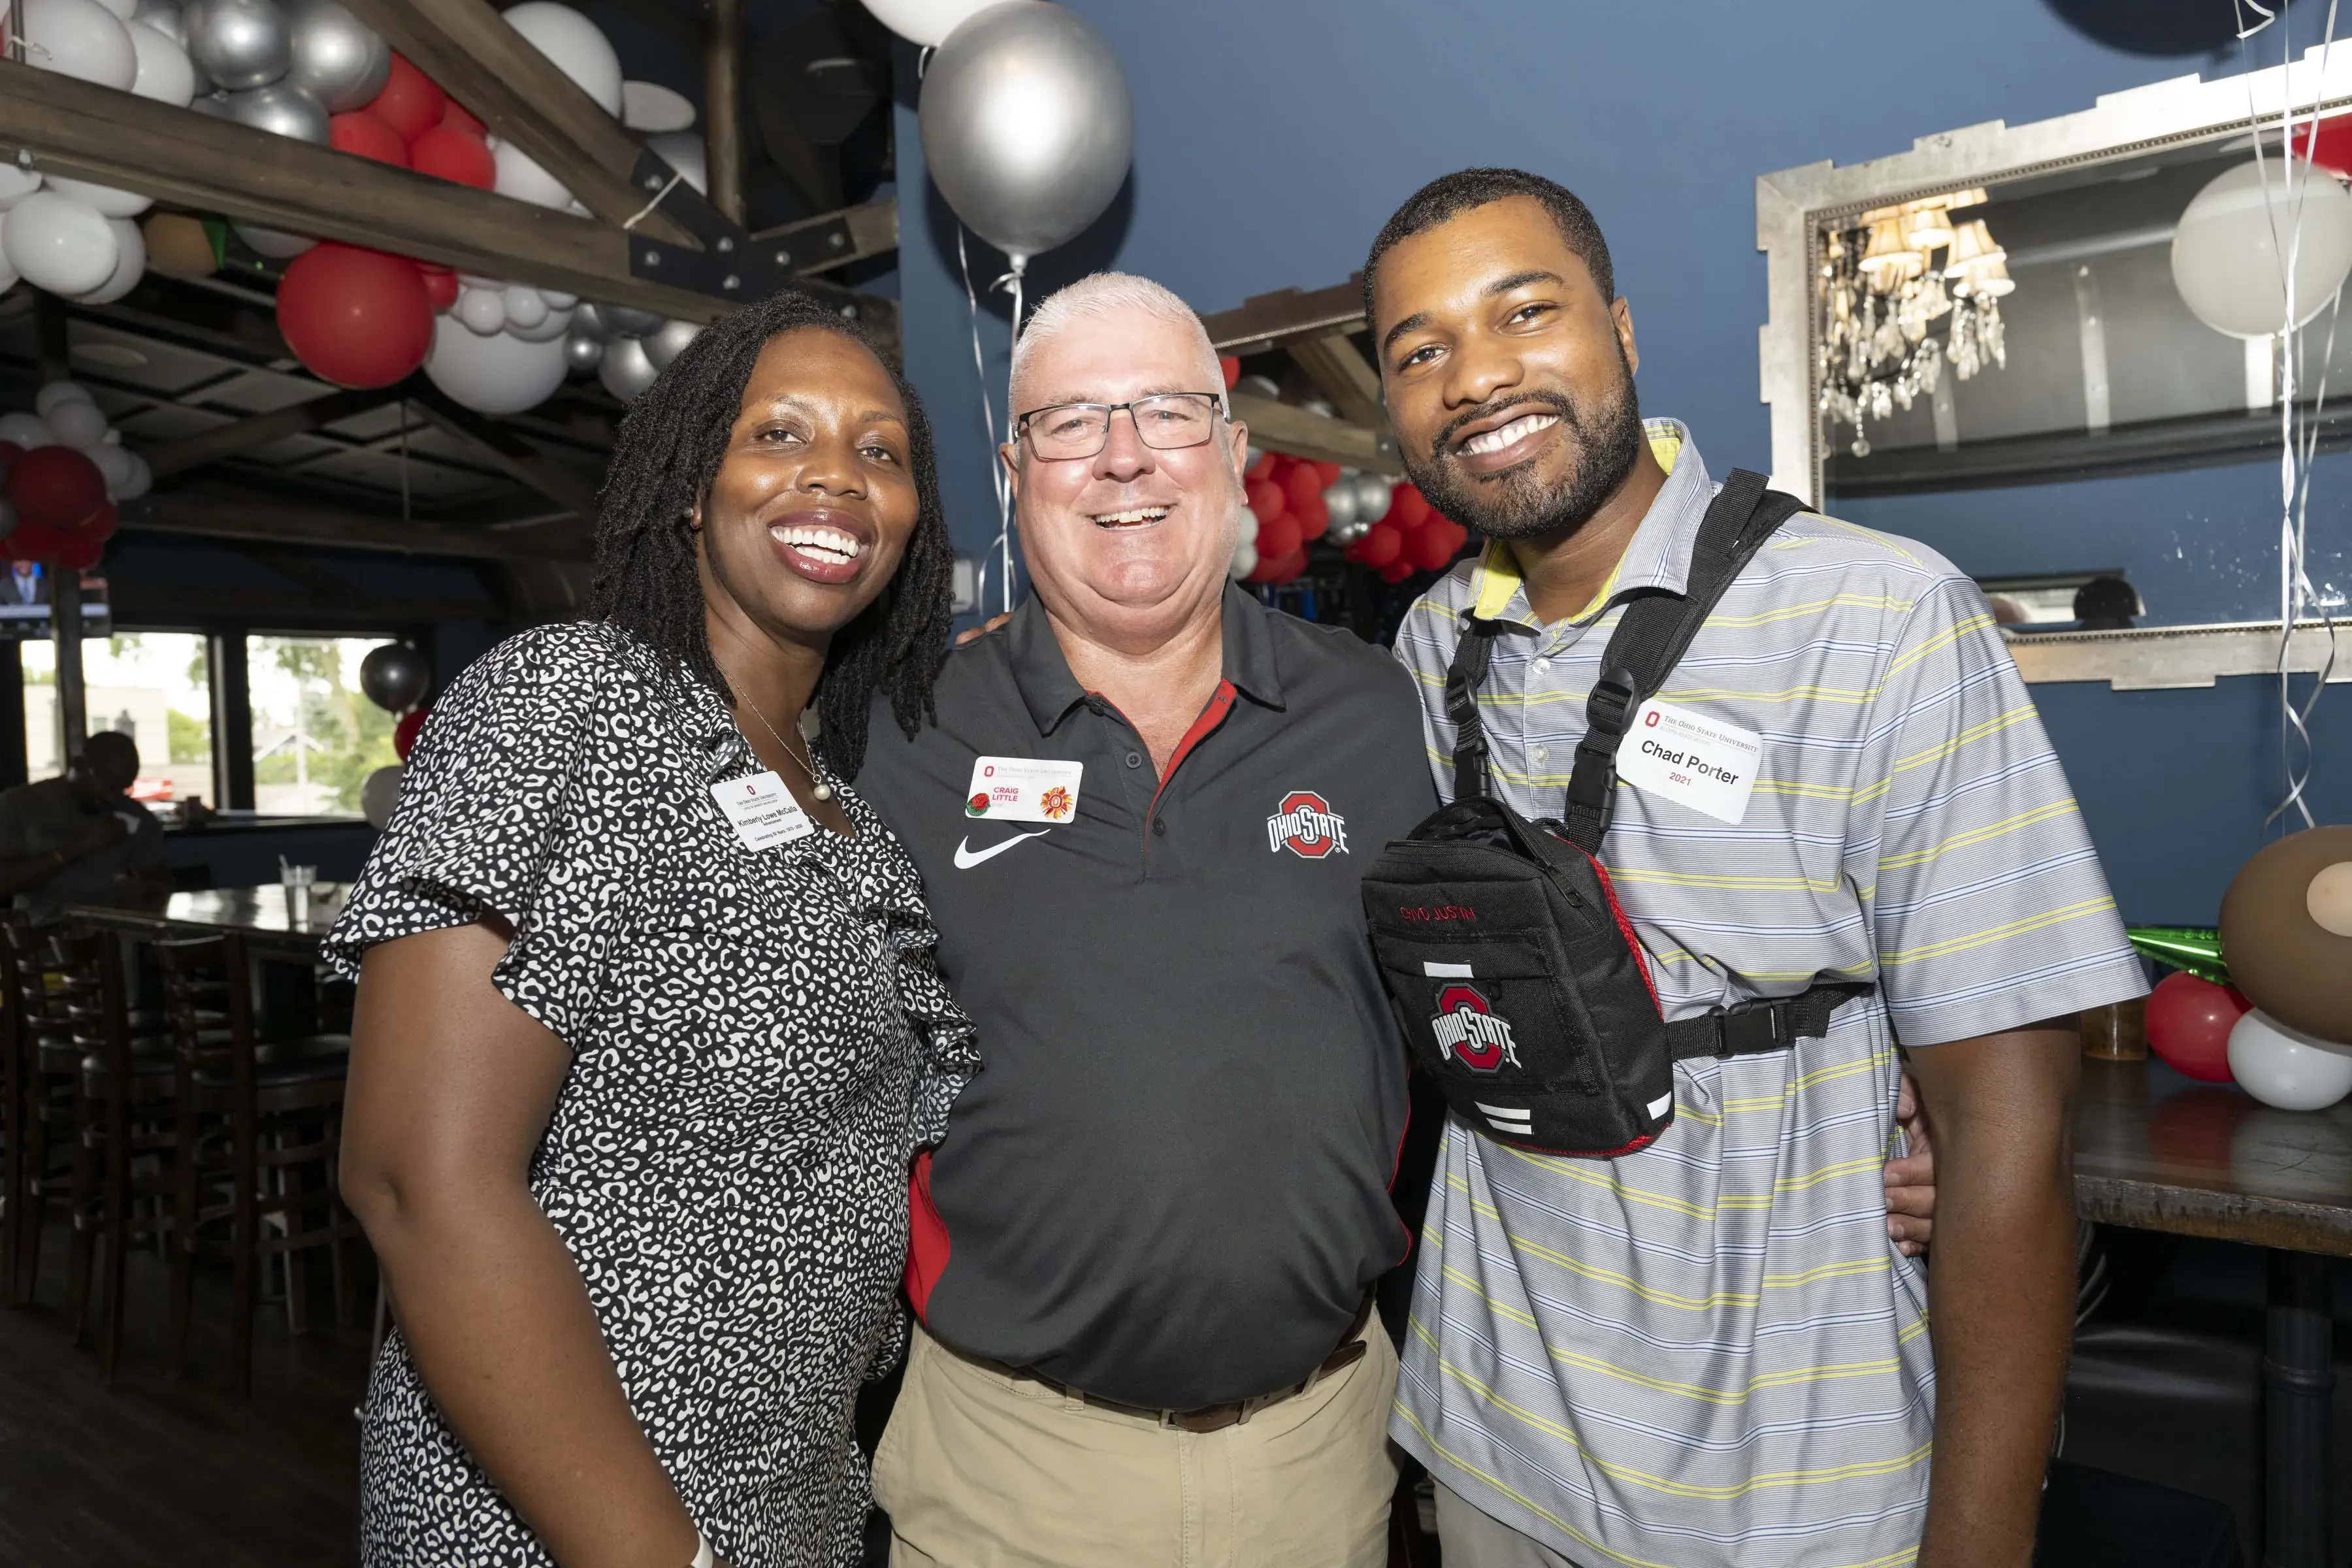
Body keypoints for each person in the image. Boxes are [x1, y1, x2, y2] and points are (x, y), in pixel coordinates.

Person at [853, 274, 1938, 1568]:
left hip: (1319, 1458)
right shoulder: (899, 735)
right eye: (1073, 422)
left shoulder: (1388, 711)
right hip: (1006, 1468)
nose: (1126, 457)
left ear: (1237, 451)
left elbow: (1629, 884)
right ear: (1014, 463)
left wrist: (1889, 1078)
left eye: (1168, 412)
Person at [1366, 168, 2146, 1568]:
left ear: (1622, 326)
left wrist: (1977, 1541)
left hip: (1797, 1477)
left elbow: (2007, 1125)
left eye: (1523, 312)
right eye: (1419, 350)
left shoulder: (1877, 615)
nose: (1475, 376)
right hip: (1495, 1438)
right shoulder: (1435, 649)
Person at [328, 290, 976, 1568]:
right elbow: (417, 1179)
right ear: (691, 484)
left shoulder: (842, 809)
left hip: (792, 1500)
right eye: (779, 435)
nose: (837, 476)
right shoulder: (569, 704)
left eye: (880, 449)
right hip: (570, 1517)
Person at [0, 728, 169, 921]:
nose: (111, 797)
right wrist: (73, 849)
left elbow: (161, 884)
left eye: (123, 788)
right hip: (40, 939)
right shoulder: (19, 805)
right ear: (79, 766)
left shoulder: (138, 818)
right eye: (108, 785)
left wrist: (147, 889)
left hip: (115, 940)